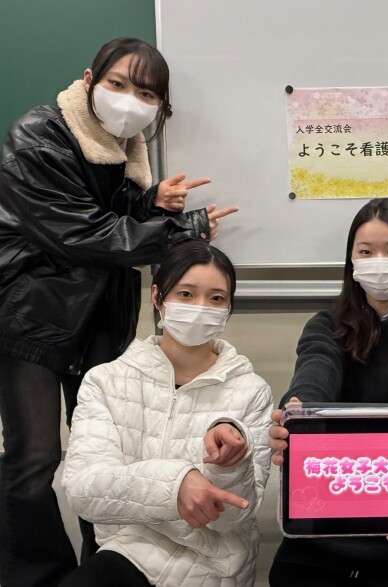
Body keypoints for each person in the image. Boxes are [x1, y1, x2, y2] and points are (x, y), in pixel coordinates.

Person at [0, 37, 237, 586]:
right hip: (32, 318)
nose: (131, 100)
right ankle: (35, 576)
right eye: (118, 84)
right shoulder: (38, 135)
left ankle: (103, 570)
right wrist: (181, 229)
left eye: (147, 94)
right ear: (90, 80)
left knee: (104, 457)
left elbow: (102, 210)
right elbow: (81, 232)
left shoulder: (123, 146)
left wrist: (148, 202)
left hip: (98, 319)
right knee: (33, 461)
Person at [267, 197, 388, 587]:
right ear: (352, 261)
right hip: (322, 525)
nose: (379, 261)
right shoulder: (326, 324)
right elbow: (314, 376)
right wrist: (295, 414)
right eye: (366, 251)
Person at [59, 240, 273, 587]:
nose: (200, 308)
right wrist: (175, 486)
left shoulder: (252, 391)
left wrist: (229, 466)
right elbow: (84, 490)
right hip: (128, 552)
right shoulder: (106, 381)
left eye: (216, 298)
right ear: (157, 297)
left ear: (228, 308)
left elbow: (233, 516)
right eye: (186, 294)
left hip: (214, 567)